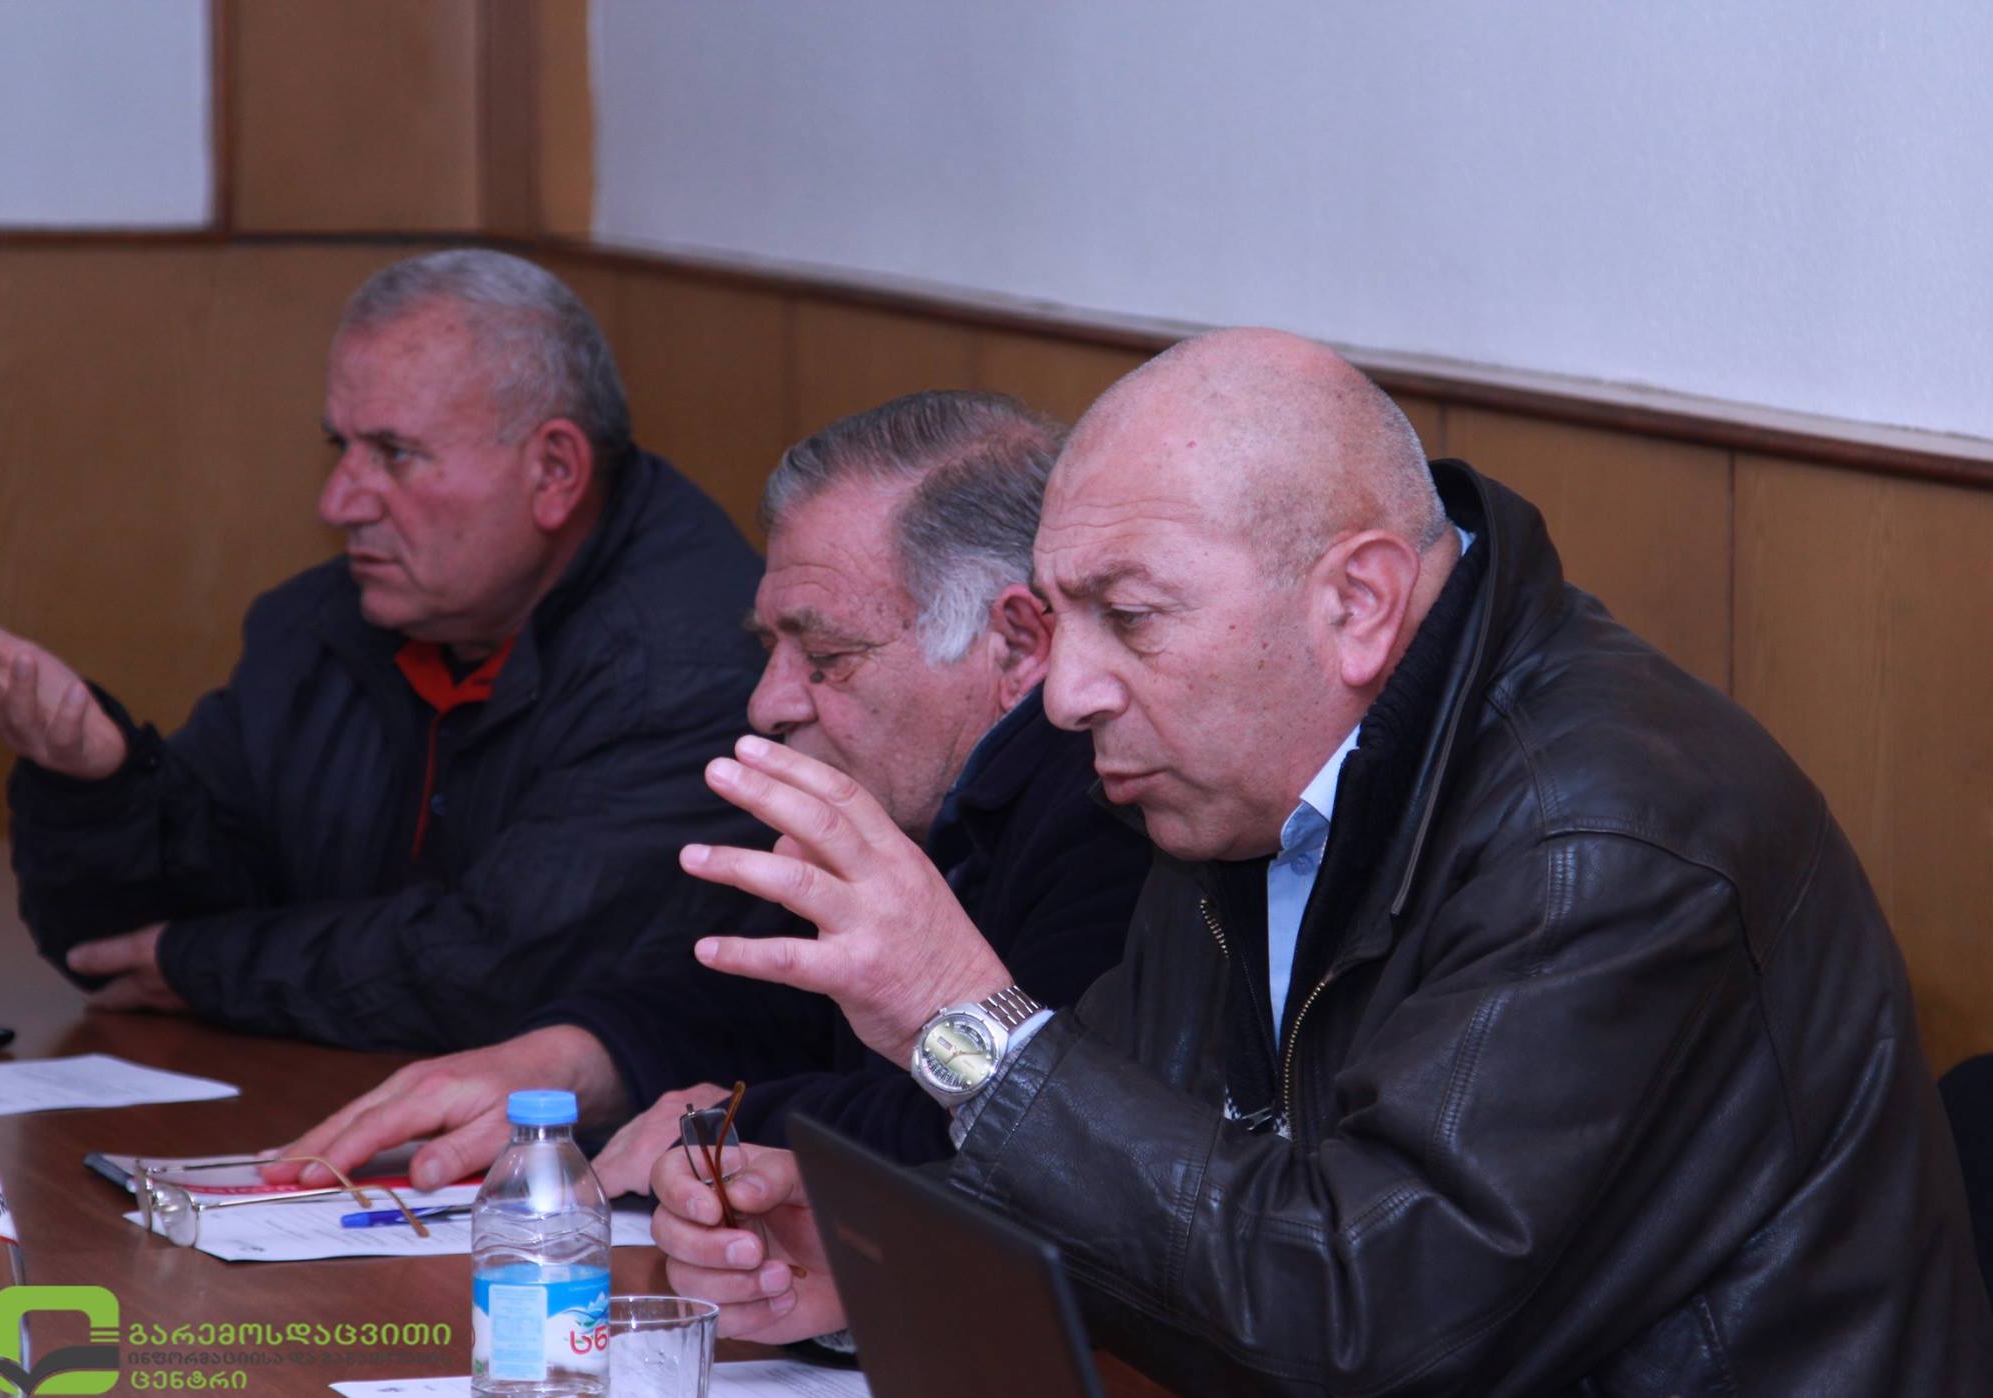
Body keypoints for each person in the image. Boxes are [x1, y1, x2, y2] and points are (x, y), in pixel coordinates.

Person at [647, 330, 1993, 1393]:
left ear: (1355, 602)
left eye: (1130, 616)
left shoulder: (1608, 840)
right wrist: (871, 1257)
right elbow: (1165, 1187)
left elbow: (1369, 1320)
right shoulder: (1236, 776)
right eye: (1060, 619)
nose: (1065, 692)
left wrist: (970, 1025)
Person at [268, 391, 1150, 1193]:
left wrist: (726, 1128)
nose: (767, 705)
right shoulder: (914, 796)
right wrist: (567, 1062)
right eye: (770, 646)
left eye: (827, 656)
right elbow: (775, 1008)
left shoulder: (1116, 812)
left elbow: (1018, 1135)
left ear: (1015, 644)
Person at [0, 249, 767, 1051]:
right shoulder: (327, 623)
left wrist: (198, 965)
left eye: (395, 455)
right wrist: (96, 782)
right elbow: (114, 954)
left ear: (553, 471)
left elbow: (496, 974)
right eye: (341, 449)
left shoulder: (685, 665)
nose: (337, 503)